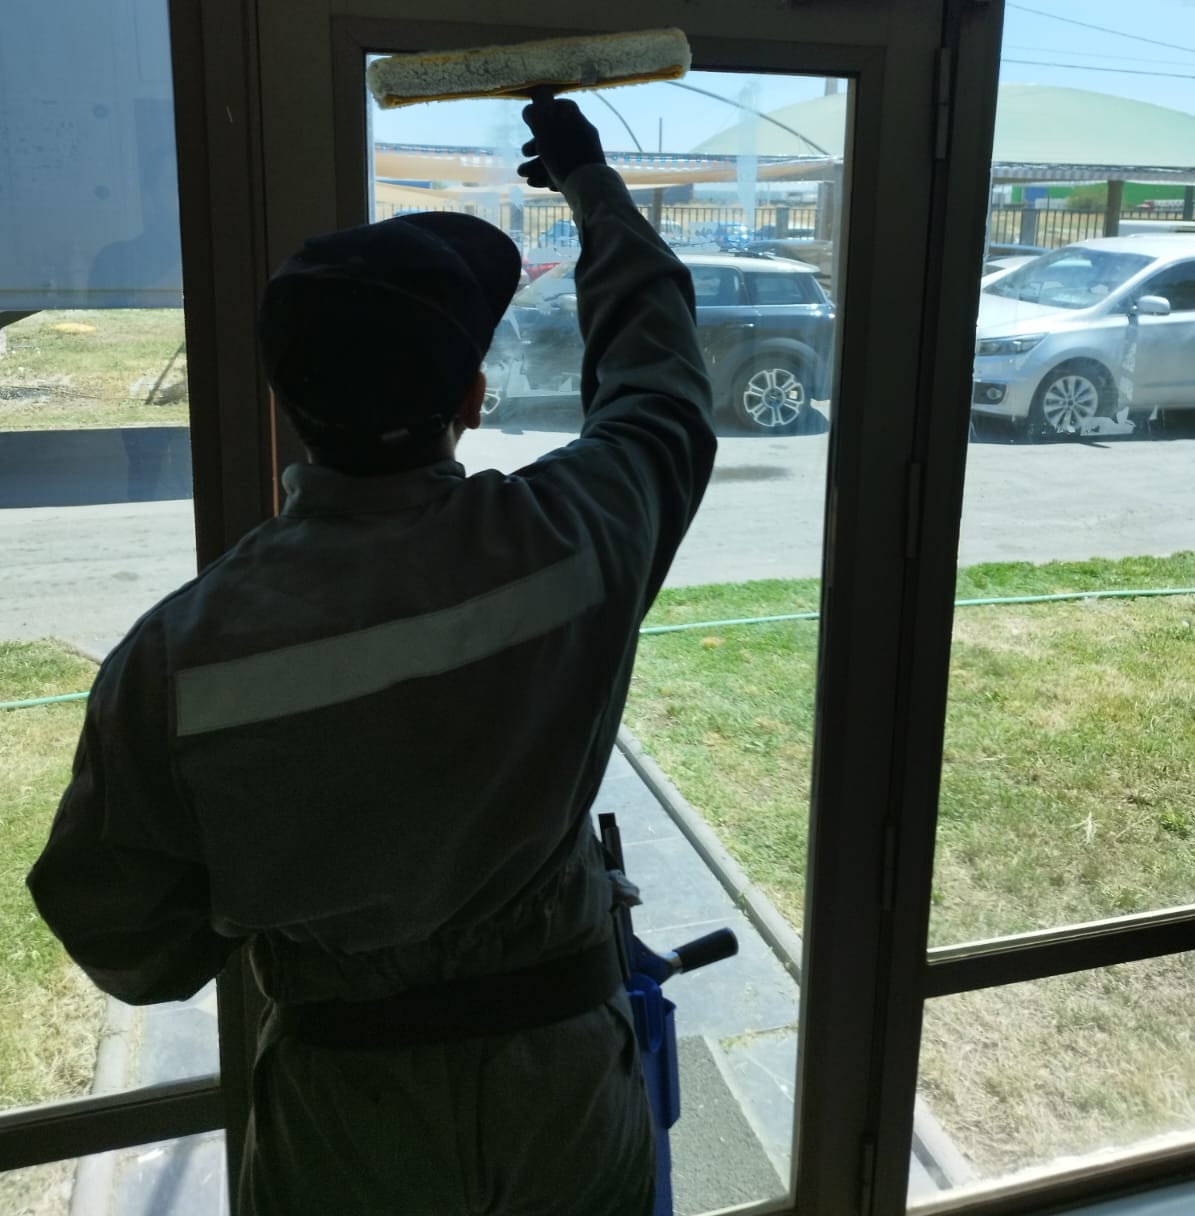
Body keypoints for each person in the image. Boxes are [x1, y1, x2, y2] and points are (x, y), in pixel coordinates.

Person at [28, 93, 717, 1215]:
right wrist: (592, 186)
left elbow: (130, 947)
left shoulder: (174, 662)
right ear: (472, 399)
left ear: (289, 406)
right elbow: (661, 386)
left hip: (344, 1123)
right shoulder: (573, 538)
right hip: (565, 1100)